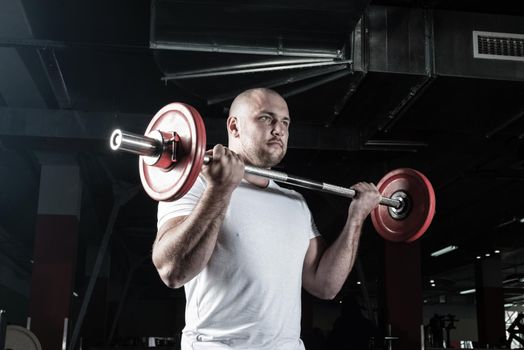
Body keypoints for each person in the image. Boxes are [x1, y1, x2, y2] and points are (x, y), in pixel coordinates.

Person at [152, 88, 381, 350]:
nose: (279, 129)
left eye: (285, 122)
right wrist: (219, 190)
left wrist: (356, 217)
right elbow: (172, 272)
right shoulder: (196, 186)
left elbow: (325, 285)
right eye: (266, 118)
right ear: (234, 127)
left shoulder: (295, 202)